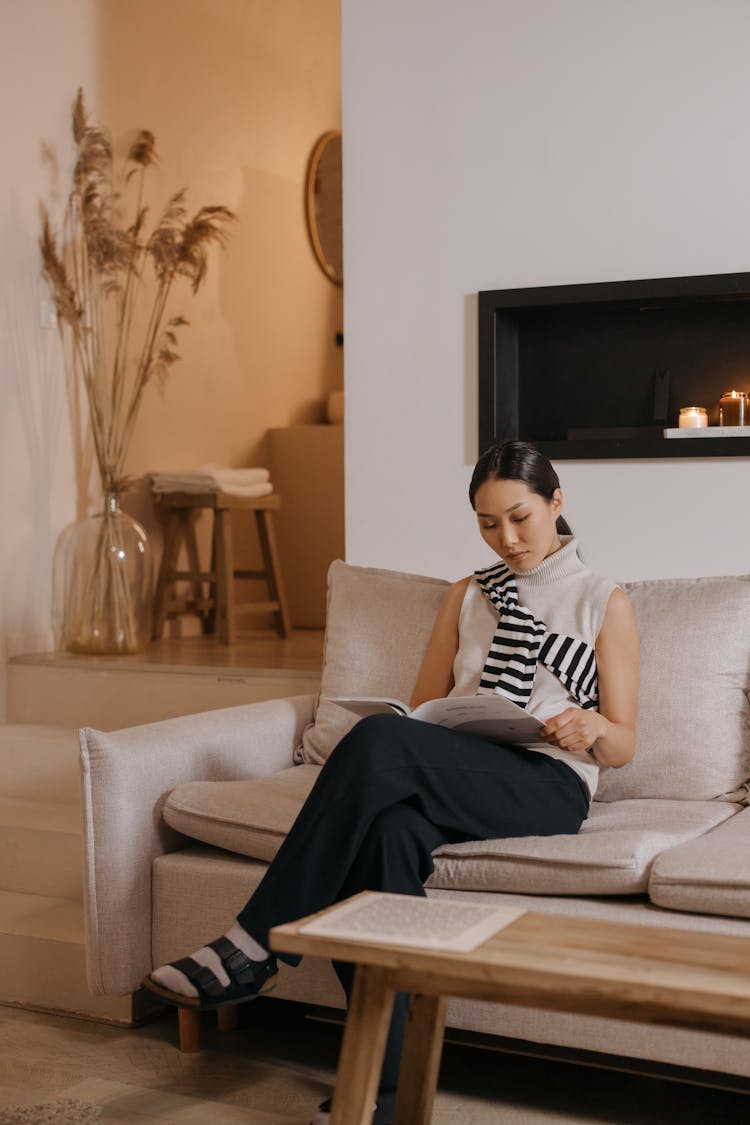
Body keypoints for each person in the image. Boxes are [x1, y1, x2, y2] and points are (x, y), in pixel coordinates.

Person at [143, 441, 639, 1125]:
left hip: (548, 783)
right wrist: (425, 724)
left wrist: (591, 727)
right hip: (461, 768)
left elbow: (625, 741)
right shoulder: (466, 595)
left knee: (376, 745)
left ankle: (255, 942)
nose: (509, 538)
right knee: (388, 832)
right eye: (488, 523)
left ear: (557, 502)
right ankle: (386, 1089)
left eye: (521, 517)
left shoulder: (603, 601)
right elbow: (423, 711)